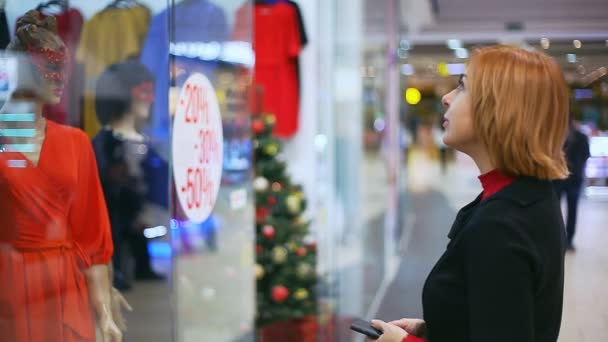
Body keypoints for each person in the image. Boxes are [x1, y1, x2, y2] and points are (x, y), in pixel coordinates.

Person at [370, 46, 569, 342]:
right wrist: (435, 328)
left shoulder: (501, 225)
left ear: (499, 108)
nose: (446, 97)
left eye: (463, 88)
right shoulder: (528, 196)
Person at [0, 10, 122, 342]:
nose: (60, 79)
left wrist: (104, 312)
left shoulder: (76, 143)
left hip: (66, 287)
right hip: (9, 284)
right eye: (49, 69)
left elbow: (91, 236)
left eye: (62, 70)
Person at [92, 60, 166, 291]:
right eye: (144, 92)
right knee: (117, 232)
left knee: (134, 232)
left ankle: (137, 269)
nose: (150, 99)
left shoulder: (140, 139)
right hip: (116, 201)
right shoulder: (107, 140)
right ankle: (118, 273)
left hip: (132, 200)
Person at [553, 120, 590, 250]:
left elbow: (586, 155)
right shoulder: (556, 136)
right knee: (555, 210)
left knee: (571, 209)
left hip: (573, 179)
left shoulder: (579, 137)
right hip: (558, 178)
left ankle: (568, 239)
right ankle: (560, 238)